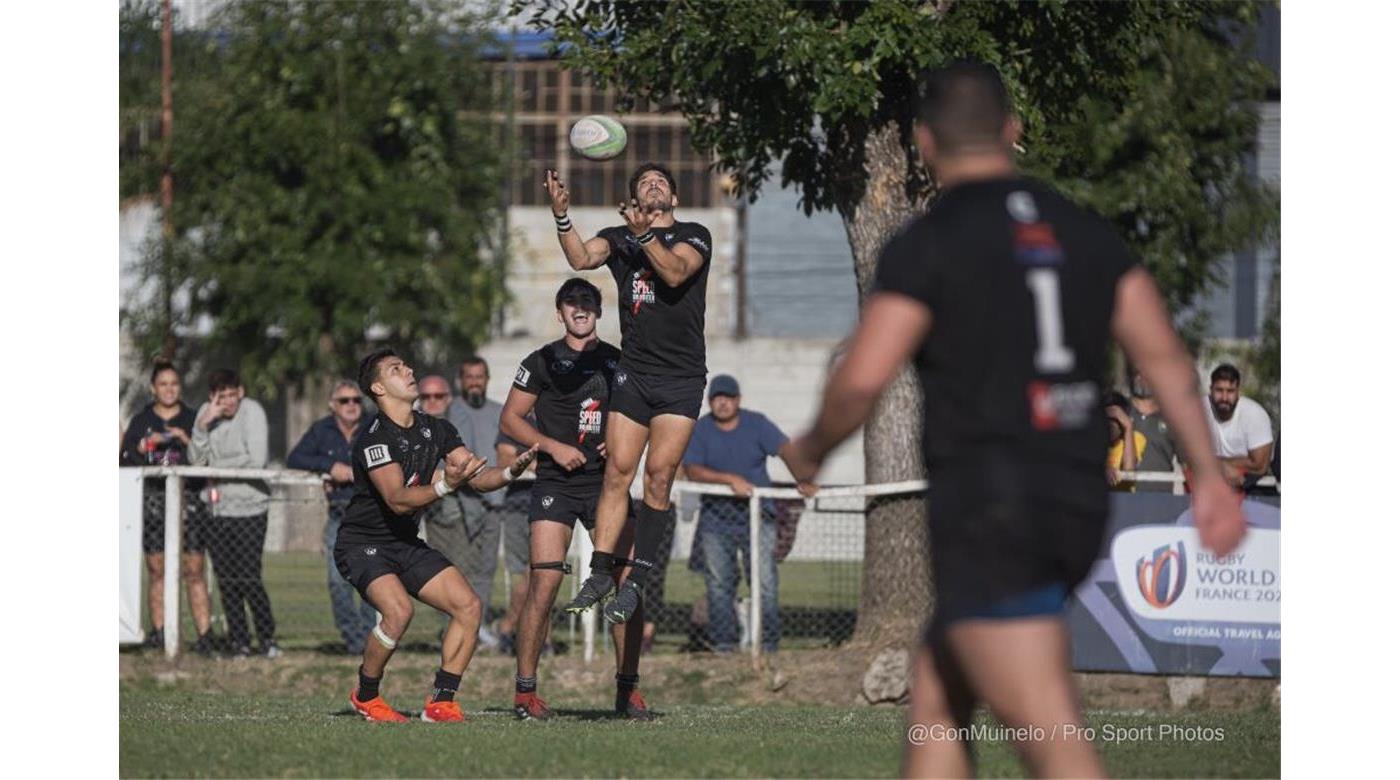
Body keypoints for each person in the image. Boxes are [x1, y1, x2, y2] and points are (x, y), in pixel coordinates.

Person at [784, 62, 1246, 778]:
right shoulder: (1083, 230)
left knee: (1050, 737)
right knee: (938, 694)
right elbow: (1164, 358)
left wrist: (811, 448)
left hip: (993, 507)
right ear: (1013, 130)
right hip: (1077, 498)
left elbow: (864, 378)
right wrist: (1209, 478)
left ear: (923, 143)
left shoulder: (931, 241)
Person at [544, 162, 714, 625]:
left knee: (658, 476)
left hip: (680, 378)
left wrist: (645, 237)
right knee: (618, 470)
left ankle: (637, 579)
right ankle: (600, 571)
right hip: (634, 374)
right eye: (644, 183)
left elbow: (675, 273)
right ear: (634, 199)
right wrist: (562, 215)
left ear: (674, 198)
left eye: (661, 182)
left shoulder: (694, 235)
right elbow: (581, 258)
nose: (653, 185)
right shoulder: (620, 237)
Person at [337, 348, 536, 723]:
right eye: (396, 369)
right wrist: (446, 485)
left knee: (469, 606)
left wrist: (511, 471)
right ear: (378, 388)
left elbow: (477, 476)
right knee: (398, 612)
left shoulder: (436, 429)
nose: (408, 371)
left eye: (406, 365)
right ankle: (366, 695)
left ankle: (441, 702)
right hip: (362, 544)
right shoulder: (373, 438)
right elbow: (397, 499)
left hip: (404, 543)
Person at [500, 278, 655, 721]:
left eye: (587, 302)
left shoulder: (618, 361)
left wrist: (622, 439)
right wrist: (552, 446)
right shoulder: (541, 361)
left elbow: (644, 413)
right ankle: (525, 692)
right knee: (545, 582)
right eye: (571, 303)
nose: (580, 308)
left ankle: (628, 690)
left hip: (607, 486)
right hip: (555, 483)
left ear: (599, 311)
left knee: (626, 585)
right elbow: (511, 418)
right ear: (560, 312)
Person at [681, 374, 817, 653]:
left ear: (738, 400)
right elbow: (692, 470)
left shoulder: (757, 424)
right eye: (717, 398)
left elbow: (786, 449)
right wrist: (729, 480)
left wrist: (803, 478)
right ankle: (724, 645)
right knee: (719, 585)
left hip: (758, 517)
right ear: (710, 402)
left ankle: (768, 644)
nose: (723, 403)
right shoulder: (701, 429)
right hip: (715, 521)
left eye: (729, 398)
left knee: (765, 582)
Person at [119, 359, 214, 655]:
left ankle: (205, 635)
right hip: (153, 503)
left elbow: (207, 457)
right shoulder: (141, 421)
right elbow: (125, 460)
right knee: (156, 569)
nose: (169, 389)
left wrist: (186, 439)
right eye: (163, 384)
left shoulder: (193, 418)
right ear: (153, 388)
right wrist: (141, 448)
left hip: (190, 503)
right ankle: (159, 632)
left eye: (174, 384)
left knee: (194, 570)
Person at [189, 369, 280, 658]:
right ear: (212, 397)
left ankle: (266, 638)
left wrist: (216, 467)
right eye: (222, 396)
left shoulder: (253, 412)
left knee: (248, 576)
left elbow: (256, 459)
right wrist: (202, 427)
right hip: (216, 510)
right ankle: (238, 640)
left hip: (250, 508)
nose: (228, 401)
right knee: (226, 579)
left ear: (241, 392)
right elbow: (196, 461)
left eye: (232, 394)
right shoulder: (205, 414)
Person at [286, 380, 378, 655]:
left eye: (356, 400)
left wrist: (355, 471)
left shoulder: (374, 426)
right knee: (338, 581)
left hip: (372, 517)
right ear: (332, 405)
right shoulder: (321, 430)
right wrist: (329, 467)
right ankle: (352, 639)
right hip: (339, 517)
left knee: (372, 582)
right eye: (344, 401)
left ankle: (370, 640)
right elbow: (295, 458)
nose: (351, 405)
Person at [446, 357, 527, 647]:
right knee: (459, 569)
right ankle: (455, 627)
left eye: (479, 376)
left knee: (486, 569)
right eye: (469, 376)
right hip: (461, 503)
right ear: (461, 380)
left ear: (487, 379)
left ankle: (475, 628)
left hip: (495, 503)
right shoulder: (453, 410)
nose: (474, 382)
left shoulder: (499, 412)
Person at [1204, 363, 1275, 489]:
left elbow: (1260, 465)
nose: (1224, 398)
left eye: (1230, 391)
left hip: (1251, 485)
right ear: (1211, 389)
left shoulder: (1255, 414)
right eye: (1219, 390)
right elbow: (1189, 457)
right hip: (1208, 483)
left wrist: (1217, 463)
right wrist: (1223, 466)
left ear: (1238, 392)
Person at [1127, 369, 1180, 492]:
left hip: (1161, 498)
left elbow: (1188, 466)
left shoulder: (1174, 417)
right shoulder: (1120, 410)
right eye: (1138, 372)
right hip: (1124, 497)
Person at [1104, 391, 1145, 490]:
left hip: (1124, 498)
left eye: (1116, 420)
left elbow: (1129, 472)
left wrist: (1128, 426)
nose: (1111, 425)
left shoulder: (1136, 438)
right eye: (1107, 419)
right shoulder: (1094, 438)